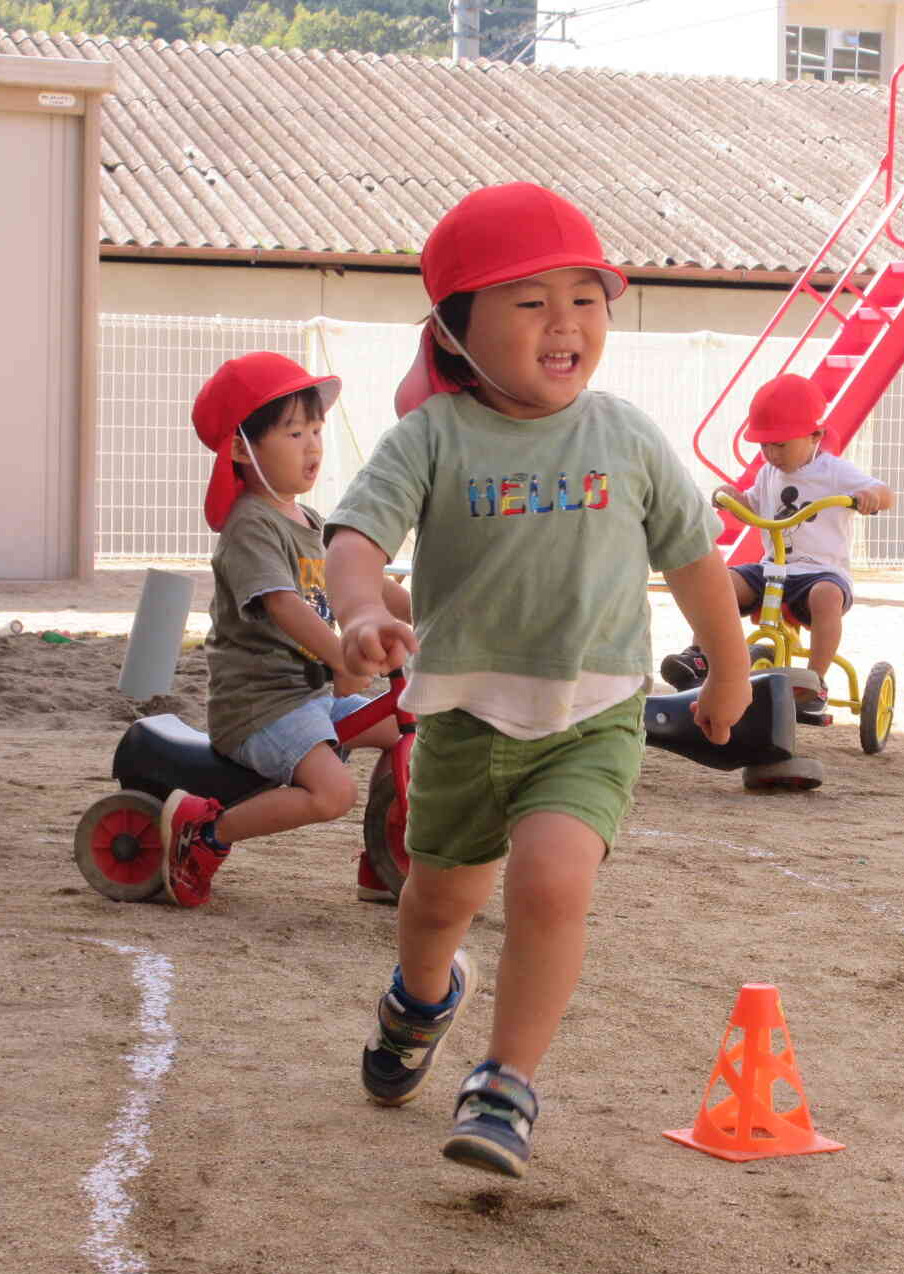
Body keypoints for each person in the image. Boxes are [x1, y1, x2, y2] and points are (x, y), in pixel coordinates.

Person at [319, 182, 750, 1179]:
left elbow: (694, 559)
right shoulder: (433, 437)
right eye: (527, 301)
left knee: (552, 885)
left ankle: (504, 1083)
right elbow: (354, 536)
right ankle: (419, 1004)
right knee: (434, 907)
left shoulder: (627, 435)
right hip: (465, 721)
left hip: (591, 716)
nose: (564, 323)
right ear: (457, 331)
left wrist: (728, 669)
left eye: (585, 298)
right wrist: (363, 611)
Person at [156, 352, 413, 908]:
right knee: (331, 793)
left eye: (316, 429)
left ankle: (384, 859)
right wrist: (344, 658)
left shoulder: (308, 520)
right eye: (294, 432)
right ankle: (205, 834)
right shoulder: (251, 525)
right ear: (240, 448)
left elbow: (364, 581)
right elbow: (285, 606)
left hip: (310, 697)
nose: (313, 445)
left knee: (408, 735)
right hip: (261, 707)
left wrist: (430, 611)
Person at [659, 373, 891, 706]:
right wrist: (733, 497)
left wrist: (872, 496)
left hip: (820, 573)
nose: (771, 453)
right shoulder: (769, 473)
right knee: (717, 581)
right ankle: (699, 655)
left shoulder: (834, 470)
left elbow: (886, 493)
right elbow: (751, 503)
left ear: (815, 435)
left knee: (826, 597)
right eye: (764, 445)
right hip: (773, 569)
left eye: (780, 444)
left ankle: (814, 681)